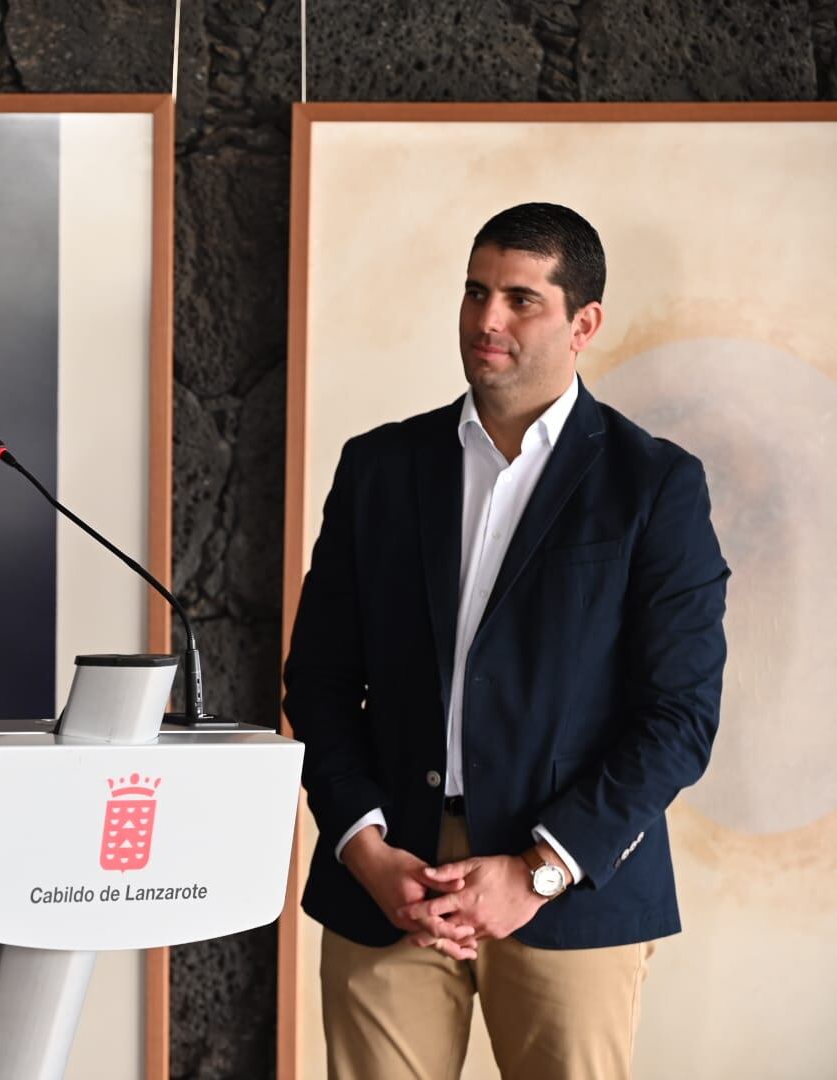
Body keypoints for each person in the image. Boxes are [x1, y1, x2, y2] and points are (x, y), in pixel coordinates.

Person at [284, 203, 728, 1079]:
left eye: (522, 299)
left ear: (584, 324)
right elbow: (320, 681)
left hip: (570, 888)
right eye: (476, 292)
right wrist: (362, 845)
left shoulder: (656, 485)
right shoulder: (378, 467)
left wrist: (537, 871)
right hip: (389, 880)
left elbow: (679, 717)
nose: (488, 320)